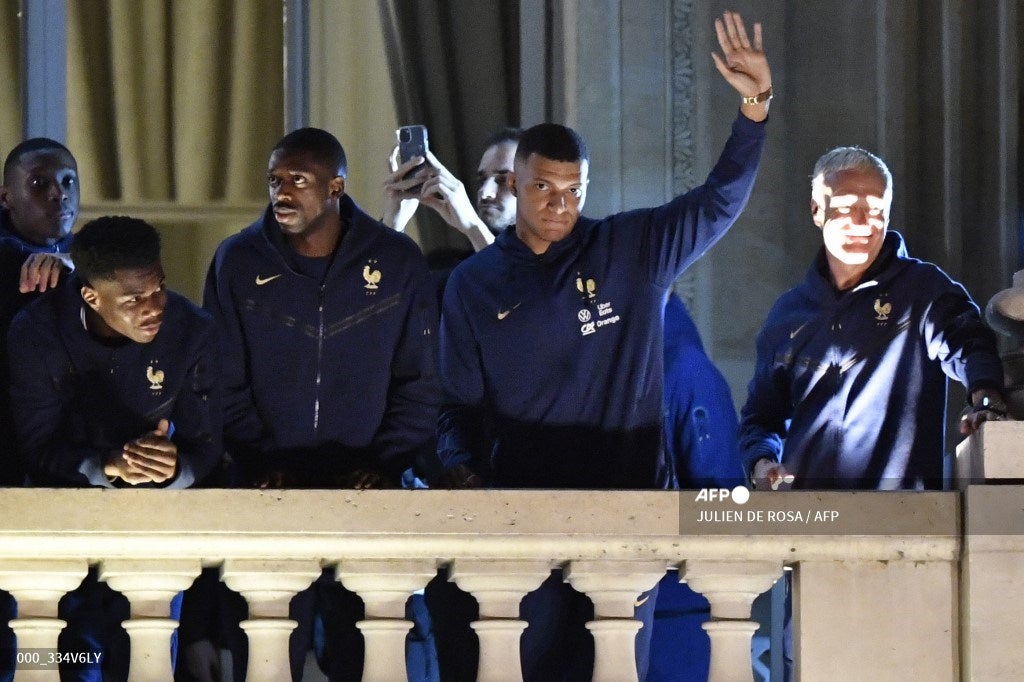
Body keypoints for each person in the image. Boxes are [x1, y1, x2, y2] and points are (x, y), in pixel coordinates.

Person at [436, 10, 770, 680]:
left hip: (629, 513)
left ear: (585, 188)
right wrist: (460, 471)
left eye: (572, 190)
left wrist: (753, 108)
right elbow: (454, 407)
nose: (558, 203)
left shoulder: (629, 249)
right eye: (542, 188)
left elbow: (718, 202)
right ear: (515, 185)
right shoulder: (474, 284)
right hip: (522, 518)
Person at [202, 127, 439, 680]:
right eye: (275, 181)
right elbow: (219, 379)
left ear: (335, 186)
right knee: (267, 659)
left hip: (370, 500)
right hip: (269, 496)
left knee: (368, 659)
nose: (282, 193)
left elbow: (421, 382)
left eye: (298, 181)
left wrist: (383, 465)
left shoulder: (398, 261)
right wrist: (261, 462)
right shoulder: (237, 261)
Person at [7, 215, 223, 680]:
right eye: (134, 300)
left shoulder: (192, 332)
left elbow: (208, 450)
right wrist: (107, 465)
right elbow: (35, 447)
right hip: (60, 542)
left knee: (145, 664)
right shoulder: (36, 334)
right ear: (91, 296)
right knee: (50, 662)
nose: (155, 306)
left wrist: (172, 467)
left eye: (159, 288)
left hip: (154, 541)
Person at [738, 146, 1006, 492]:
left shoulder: (922, 291)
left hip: (906, 524)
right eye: (849, 207)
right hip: (806, 525)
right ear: (817, 210)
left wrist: (986, 400)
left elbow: (968, 344)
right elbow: (760, 419)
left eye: (876, 209)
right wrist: (761, 463)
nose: (864, 222)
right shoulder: (788, 314)